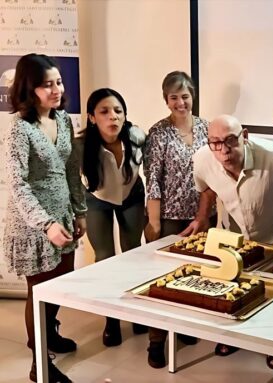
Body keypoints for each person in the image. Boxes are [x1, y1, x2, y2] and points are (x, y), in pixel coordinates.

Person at [3, 53, 87, 383]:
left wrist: (78, 212)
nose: (56, 90)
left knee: (59, 287)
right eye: (46, 85)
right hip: (32, 224)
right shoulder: (19, 130)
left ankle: (48, 333)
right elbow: (18, 183)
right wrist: (46, 224)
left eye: (58, 82)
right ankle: (40, 364)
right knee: (38, 292)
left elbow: (71, 170)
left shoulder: (64, 119)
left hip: (63, 219)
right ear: (29, 88)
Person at [188, 114, 273, 368]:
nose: (223, 150)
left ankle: (272, 344)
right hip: (233, 233)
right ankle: (233, 337)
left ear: (244, 136)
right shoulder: (202, 158)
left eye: (231, 141)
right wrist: (202, 217)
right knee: (232, 285)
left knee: (272, 290)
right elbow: (206, 189)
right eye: (215, 142)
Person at [143, 71, 217, 369]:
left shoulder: (207, 127)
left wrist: (206, 212)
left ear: (192, 96)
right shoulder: (158, 132)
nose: (180, 102)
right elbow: (153, 180)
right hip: (169, 217)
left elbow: (213, 172)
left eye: (185, 96)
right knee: (161, 282)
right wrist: (155, 222)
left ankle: (184, 327)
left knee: (195, 277)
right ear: (166, 100)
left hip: (202, 214)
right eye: (174, 97)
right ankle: (156, 341)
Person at [81, 88, 148, 347]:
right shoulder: (81, 144)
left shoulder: (136, 135)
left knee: (133, 253)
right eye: (104, 112)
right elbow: (73, 182)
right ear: (92, 117)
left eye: (118, 111)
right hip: (96, 199)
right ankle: (111, 320)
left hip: (131, 195)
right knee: (105, 258)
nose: (113, 117)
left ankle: (136, 313)